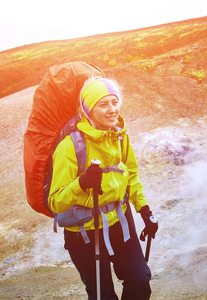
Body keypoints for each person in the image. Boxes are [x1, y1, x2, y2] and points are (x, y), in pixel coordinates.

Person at [48, 77, 158, 299]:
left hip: (120, 222)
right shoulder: (70, 147)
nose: (112, 110)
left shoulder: (120, 137)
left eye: (114, 102)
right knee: (102, 294)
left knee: (139, 281)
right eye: (103, 104)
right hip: (85, 233)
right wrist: (82, 183)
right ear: (88, 109)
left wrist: (144, 210)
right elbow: (55, 202)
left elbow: (131, 176)